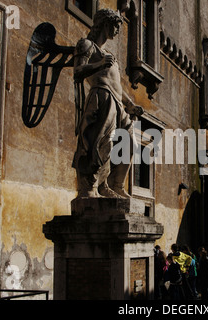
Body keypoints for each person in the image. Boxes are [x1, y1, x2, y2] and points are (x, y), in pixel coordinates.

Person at [73, 8, 143, 199]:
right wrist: (99, 64)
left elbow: (117, 84)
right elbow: (77, 71)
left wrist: (130, 104)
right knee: (98, 145)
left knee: (130, 142)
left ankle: (116, 184)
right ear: (105, 24)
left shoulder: (109, 54)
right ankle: (91, 189)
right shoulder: (87, 45)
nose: (118, 30)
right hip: (101, 98)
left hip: (118, 103)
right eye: (116, 25)